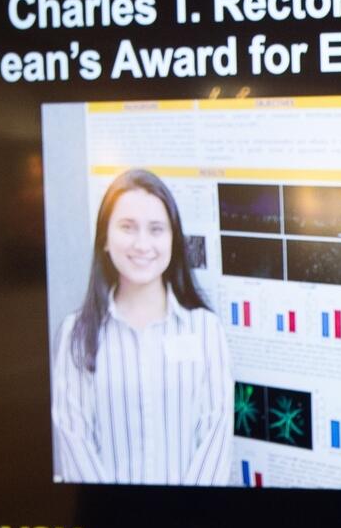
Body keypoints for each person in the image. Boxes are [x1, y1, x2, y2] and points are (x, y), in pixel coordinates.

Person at [51, 167, 235, 485]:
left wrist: (184, 526)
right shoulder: (76, 334)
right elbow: (74, 445)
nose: (142, 244)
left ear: (173, 240)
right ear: (105, 239)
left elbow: (215, 443)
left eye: (156, 229)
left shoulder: (206, 331)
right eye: (127, 227)